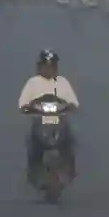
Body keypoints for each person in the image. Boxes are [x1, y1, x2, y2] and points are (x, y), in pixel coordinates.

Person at [18, 49, 79, 182]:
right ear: (39, 68)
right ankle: (33, 171)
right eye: (45, 67)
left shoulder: (62, 82)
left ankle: (70, 168)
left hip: (59, 120)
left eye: (51, 67)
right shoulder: (32, 83)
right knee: (33, 143)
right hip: (40, 120)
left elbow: (72, 101)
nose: (48, 70)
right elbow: (23, 102)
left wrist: (71, 106)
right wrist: (27, 107)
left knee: (69, 140)